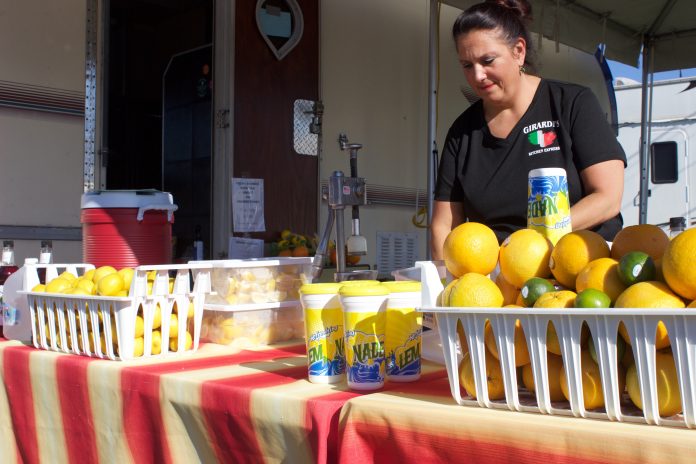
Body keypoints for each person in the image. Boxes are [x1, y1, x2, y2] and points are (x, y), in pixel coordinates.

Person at [431, 0, 626, 259]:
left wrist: (535, 239)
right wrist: (446, 280)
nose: (477, 75)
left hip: (581, 264)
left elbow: (608, 197)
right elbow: (444, 225)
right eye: (467, 65)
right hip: (502, 277)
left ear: (518, 51)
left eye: (487, 60)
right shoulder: (462, 132)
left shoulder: (571, 103)